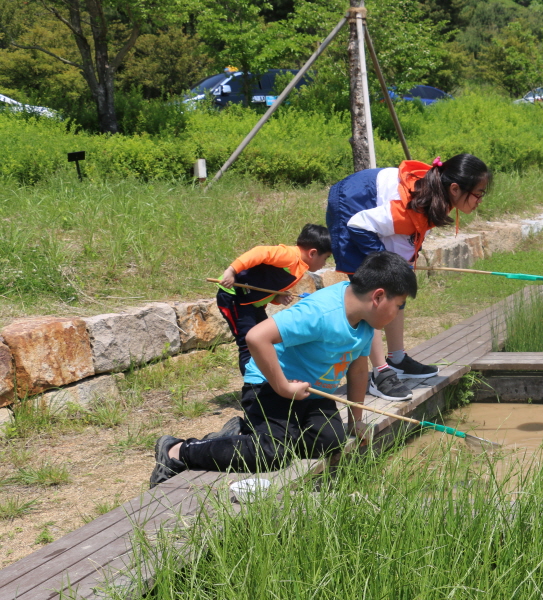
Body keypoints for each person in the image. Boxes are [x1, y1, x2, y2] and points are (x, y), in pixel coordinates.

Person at [150, 251, 417, 488]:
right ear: (378, 296)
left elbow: (358, 370)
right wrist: (282, 387)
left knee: (329, 439)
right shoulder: (320, 312)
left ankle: (240, 434)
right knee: (272, 453)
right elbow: (256, 337)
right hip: (270, 385)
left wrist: (356, 420)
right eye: (399, 305)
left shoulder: (366, 322)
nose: (398, 313)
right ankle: (178, 450)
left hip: (310, 393)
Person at [326, 153, 491, 401]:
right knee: (371, 296)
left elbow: (408, 236)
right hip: (353, 205)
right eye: (479, 193)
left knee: (398, 285)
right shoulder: (407, 208)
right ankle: (380, 373)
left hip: (375, 211)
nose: (480, 200)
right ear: (455, 188)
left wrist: (400, 266)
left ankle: (398, 360)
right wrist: (385, 264)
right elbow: (359, 224)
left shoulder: (437, 194)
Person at [216, 224, 331, 375]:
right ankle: (253, 388)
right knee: (249, 343)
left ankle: (266, 380)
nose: (325, 264)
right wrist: (231, 271)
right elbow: (259, 252)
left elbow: (265, 281)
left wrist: (277, 296)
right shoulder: (289, 256)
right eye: (326, 258)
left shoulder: (299, 266)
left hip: (251, 303)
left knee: (263, 338)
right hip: (234, 297)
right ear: (313, 253)